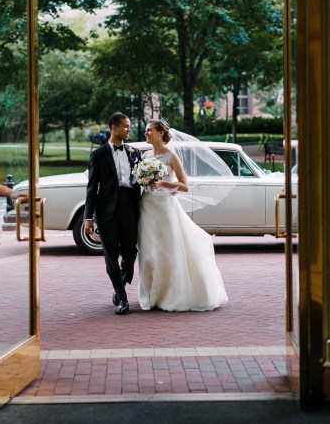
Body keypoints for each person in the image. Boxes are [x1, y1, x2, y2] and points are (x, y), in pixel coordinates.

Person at [137, 120, 228, 311]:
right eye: (146, 131)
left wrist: (163, 184)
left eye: (149, 130)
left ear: (160, 133)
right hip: (147, 206)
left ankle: (172, 294)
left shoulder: (171, 156)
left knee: (168, 251)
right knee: (149, 252)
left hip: (165, 208)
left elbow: (184, 185)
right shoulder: (145, 155)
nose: (146, 133)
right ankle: (152, 294)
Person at [83, 113, 142, 315]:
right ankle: (122, 298)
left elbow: (140, 182)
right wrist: (87, 217)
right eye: (125, 126)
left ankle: (120, 286)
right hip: (106, 211)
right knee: (110, 255)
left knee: (130, 253)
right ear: (114, 128)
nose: (128, 130)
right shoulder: (98, 155)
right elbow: (92, 188)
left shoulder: (135, 152)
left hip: (130, 209)